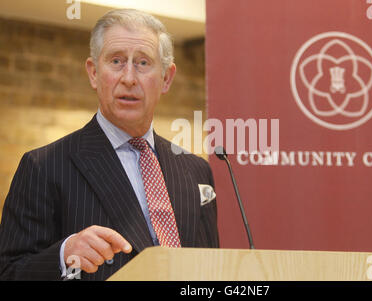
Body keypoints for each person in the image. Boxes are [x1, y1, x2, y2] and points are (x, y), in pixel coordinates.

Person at [0, 9, 219, 281]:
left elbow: (210, 272)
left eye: (143, 63)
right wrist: (62, 256)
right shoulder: (43, 167)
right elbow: (9, 273)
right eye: (116, 61)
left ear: (166, 78)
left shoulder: (196, 170)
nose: (129, 77)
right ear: (93, 73)